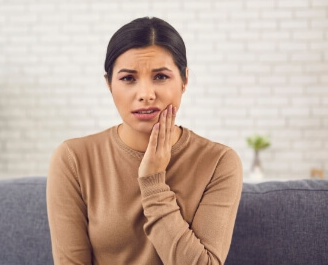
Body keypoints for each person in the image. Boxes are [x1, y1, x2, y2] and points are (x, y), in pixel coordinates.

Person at [46, 17, 243, 265]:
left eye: (160, 77)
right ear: (108, 84)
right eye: (128, 78)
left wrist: (153, 184)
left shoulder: (219, 162)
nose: (146, 95)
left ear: (184, 81)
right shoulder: (73, 158)